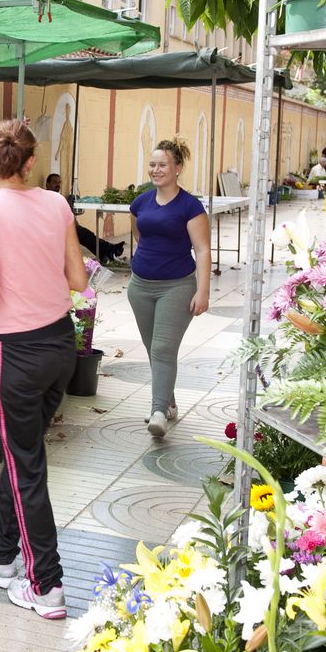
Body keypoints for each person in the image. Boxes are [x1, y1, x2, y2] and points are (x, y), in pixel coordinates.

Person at [0, 119, 88, 620]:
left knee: (25, 465)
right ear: (32, 161)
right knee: (22, 454)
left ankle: (47, 585)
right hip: (60, 346)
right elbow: (78, 278)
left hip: (15, 352)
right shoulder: (57, 204)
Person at [126, 139, 211, 438]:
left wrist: (203, 291)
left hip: (177, 286)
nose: (156, 170)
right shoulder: (141, 202)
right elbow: (139, 234)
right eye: (152, 164)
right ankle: (169, 401)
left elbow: (202, 249)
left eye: (163, 165)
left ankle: (158, 412)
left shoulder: (190, 206)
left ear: (178, 168)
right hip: (140, 287)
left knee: (163, 348)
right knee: (154, 351)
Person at [46, 173, 124, 263]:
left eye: (59, 182)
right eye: (54, 182)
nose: (58, 185)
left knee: (84, 233)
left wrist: (76, 226)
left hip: (64, 228)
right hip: (53, 230)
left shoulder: (60, 198)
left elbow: (69, 216)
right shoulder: (45, 197)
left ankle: (107, 251)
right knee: (82, 233)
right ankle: (108, 250)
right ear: (47, 184)